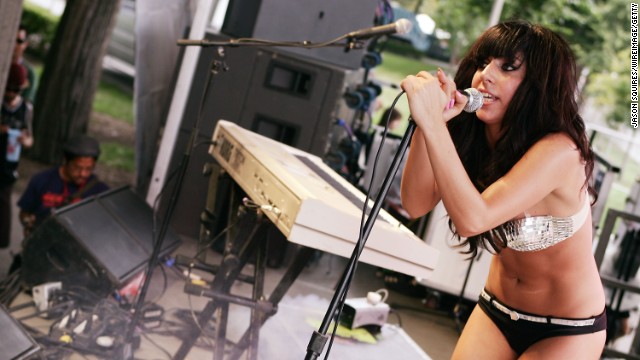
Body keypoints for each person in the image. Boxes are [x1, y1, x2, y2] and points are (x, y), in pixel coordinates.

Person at [400, 20, 606, 359]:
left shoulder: (560, 151)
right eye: (484, 63)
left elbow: (472, 219)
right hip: (497, 310)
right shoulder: (477, 135)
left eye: (508, 68)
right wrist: (428, 122)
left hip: (568, 328)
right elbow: (415, 203)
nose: (485, 76)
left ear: (538, 87)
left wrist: (433, 123)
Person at [17, 135, 109, 237]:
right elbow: (24, 213)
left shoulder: (100, 190)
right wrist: (28, 222)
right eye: (77, 168)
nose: (83, 174)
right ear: (66, 161)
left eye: (89, 169)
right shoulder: (41, 180)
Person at [0, 63, 34, 249]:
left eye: (16, 90)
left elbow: (30, 139)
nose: (11, 94)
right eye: (8, 89)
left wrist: (23, 140)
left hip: (9, 162)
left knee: (4, 202)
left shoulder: (26, 108)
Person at [12, 25, 37, 103]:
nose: (14, 44)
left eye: (19, 41)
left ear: (26, 45)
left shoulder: (29, 73)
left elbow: (26, 102)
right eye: (12, 40)